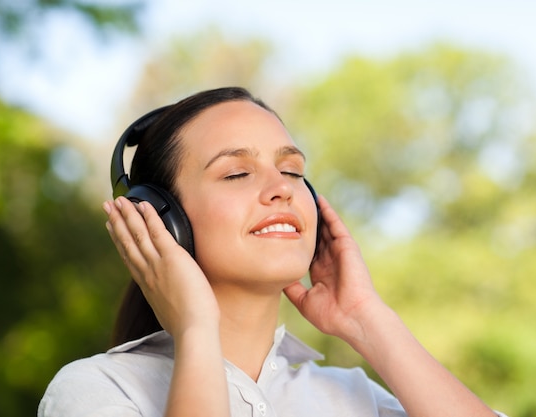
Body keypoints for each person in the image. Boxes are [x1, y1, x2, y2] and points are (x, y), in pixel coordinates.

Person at [38, 87, 507, 417]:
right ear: (159, 219)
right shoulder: (97, 389)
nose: (281, 188)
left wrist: (367, 318)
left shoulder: (356, 399)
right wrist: (197, 330)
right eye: (236, 173)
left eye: (292, 170)